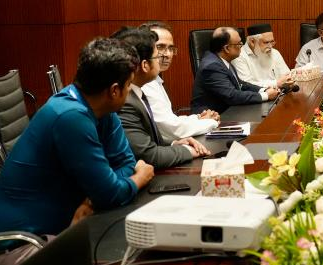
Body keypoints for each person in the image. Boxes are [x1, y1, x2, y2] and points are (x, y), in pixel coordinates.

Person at [0, 38, 154, 265]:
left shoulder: (101, 109)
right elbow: (113, 191)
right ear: (114, 90)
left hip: (60, 232)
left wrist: (94, 198)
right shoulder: (70, 117)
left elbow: (124, 162)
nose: (128, 93)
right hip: (22, 247)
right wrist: (139, 178)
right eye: (128, 86)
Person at [112, 26, 211, 169]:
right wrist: (187, 151)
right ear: (145, 65)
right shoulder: (126, 100)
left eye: (170, 48)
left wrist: (173, 144)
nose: (164, 56)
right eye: (157, 54)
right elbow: (147, 155)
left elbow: (147, 138)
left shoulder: (136, 91)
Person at [141, 21, 219, 140]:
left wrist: (198, 118)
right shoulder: (145, 82)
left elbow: (170, 120)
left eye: (171, 48)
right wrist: (211, 122)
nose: (168, 54)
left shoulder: (155, 79)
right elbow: (173, 130)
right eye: (160, 47)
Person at [191, 27, 279, 114]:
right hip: (211, 117)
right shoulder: (212, 66)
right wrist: (266, 95)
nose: (241, 46)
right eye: (239, 44)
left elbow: (240, 85)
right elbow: (231, 95)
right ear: (227, 48)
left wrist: (263, 90)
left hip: (230, 111)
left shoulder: (223, 60)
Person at [232, 23, 293, 89]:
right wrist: (276, 83)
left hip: (279, 92)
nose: (270, 46)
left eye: (272, 41)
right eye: (266, 42)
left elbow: (286, 75)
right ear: (252, 42)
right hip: (256, 94)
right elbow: (246, 85)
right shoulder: (239, 56)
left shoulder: (274, 52)